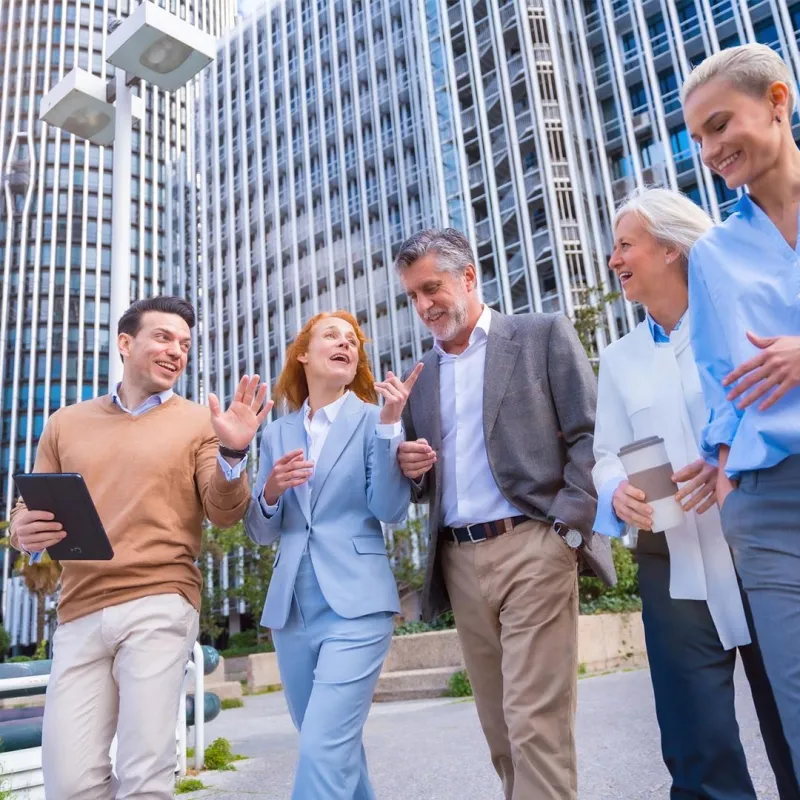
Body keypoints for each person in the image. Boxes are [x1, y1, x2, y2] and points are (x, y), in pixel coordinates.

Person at [8, 296, 268, 799]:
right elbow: (29, 504)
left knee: (144, 773)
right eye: (164, 338)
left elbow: (223, 510)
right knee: (68, 781)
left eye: (186, 344)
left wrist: (233, 452)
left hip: (160, 599)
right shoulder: (66, 422)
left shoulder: (198, 422)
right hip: (79, 609)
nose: (177, 351)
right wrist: (22, 528)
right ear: (126, 343)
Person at [392, 228, 615, 800]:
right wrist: (411, 467)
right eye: (412, 296)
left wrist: (566, 529)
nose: (423, 306)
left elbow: (592, 434)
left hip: (534, 546)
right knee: (499, 727)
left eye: (431, 288)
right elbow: (423, 486)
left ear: (468, 277)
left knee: (533, 721)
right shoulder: (421, 379)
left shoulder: (540, 336)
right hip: (459, 561)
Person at [593, 187, 799, 799]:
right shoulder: (620, 356)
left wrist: (727, 463)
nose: (614, 259)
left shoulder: (745, 327)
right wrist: (615, 493)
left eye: (626, 244)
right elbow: (606, 454)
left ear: (674, 249)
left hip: (759, 542)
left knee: (791, 716)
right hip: (672, 559)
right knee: (695, 738)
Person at [683, 43, 800, 779]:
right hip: (768, 508)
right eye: (699, 138)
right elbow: (721, 380)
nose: (711, 149)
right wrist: (723, 474)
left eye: (721, 124)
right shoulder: (713, 254)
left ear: (780, 102)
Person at [244, 310, 419, 800]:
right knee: (334, 749)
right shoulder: (278, 432)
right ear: (303, 353)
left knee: (323, 747)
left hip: (358, 604)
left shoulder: (374, 419)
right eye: (332, 335)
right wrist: (271, 493)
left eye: (353, 340)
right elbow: (260, 532)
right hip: (292, 610)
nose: (346, 344)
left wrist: (389, 430)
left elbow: (389, 508)